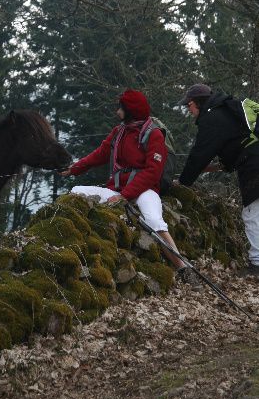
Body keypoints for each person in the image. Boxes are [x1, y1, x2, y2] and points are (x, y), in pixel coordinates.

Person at [60, 89, 197, 283]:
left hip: (144, 191)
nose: (117, 112)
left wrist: (125, 195)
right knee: (76, 192)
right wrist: (74, 169)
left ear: (131, 110)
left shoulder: (154, 135)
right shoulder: (119, 132)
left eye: (121, 108)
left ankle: (183, 268)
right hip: (116, 190)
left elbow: (152, 173)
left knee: (153, 220)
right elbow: (100, 154)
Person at [177, 83, 259, 277]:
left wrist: (182, 183)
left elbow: (198, 156)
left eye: (188, 106)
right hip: (254, 158)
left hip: (255, 164)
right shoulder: (228, 109)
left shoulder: (211, 118)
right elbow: (236, 143)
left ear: (196, 103)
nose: (188, 110)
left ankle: (257, 264)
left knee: (251, 213)